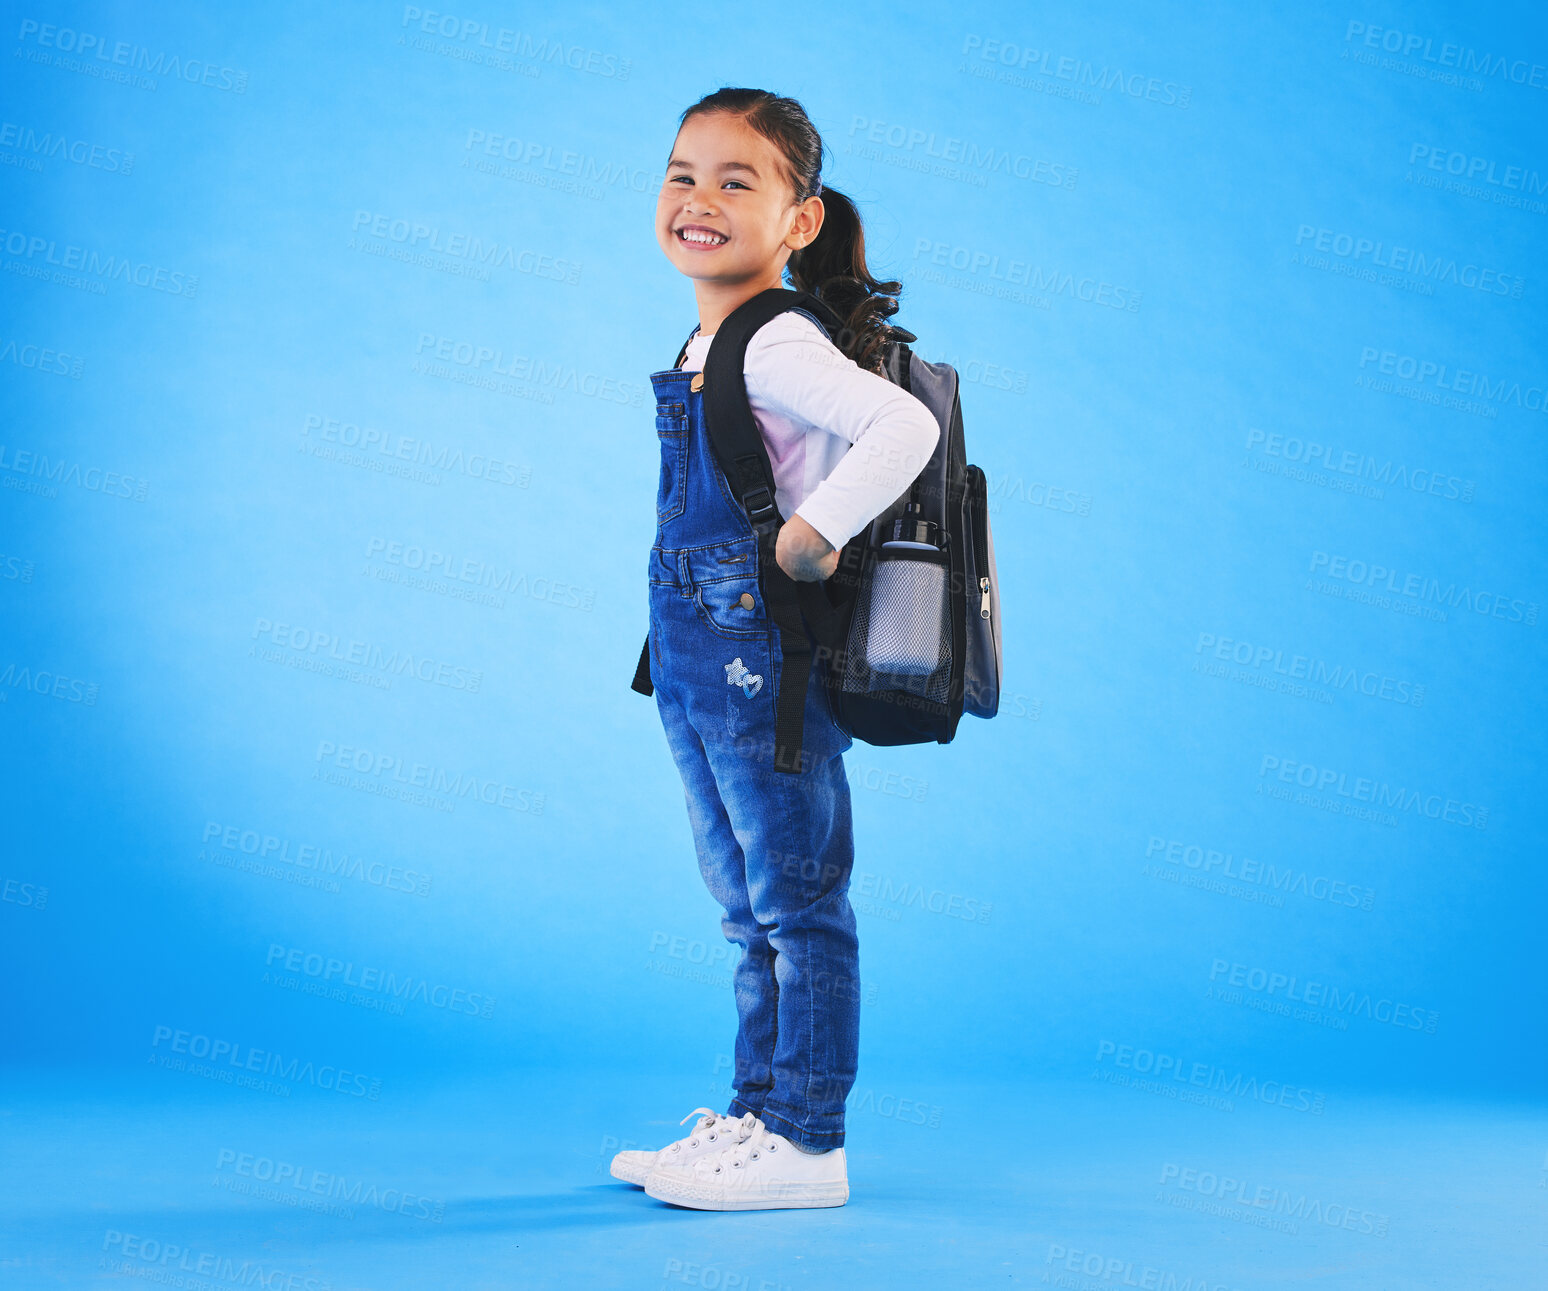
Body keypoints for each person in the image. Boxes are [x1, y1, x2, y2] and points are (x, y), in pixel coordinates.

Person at [612, 87, 939, 1212]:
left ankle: (809, 1140)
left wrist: (814, 531)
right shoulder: (708, 334)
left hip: (761, 658)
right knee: (746, 902)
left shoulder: (772, 336)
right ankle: (754, 1117)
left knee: (798, 899)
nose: (697, 200)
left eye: (735, 181)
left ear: (799, 222)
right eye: (681, 174)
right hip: (698, 650)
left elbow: (908, 427)